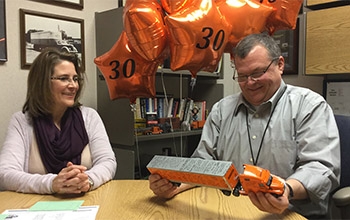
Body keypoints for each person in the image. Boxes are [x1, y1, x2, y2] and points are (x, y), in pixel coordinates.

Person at [148, 33, 340, 218]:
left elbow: (320, 168)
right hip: (228, 211)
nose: (250, 83)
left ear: (280, 65)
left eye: (257, 73)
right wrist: (174, 187)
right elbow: (204, 163)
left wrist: (286, 189)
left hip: (290, 214)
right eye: (242, 76)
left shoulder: (310, 106)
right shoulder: (221, 110)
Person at [0, 47, 117, 194]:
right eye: (63, 78)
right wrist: (52, 183)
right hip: (37, 208)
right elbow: (5, 174)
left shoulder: (89, 116)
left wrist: (87, 180)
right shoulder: (22, 121)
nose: (73, 85)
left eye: (75, 79)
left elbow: (108, 162)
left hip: (86, 203)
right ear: (42, 82)